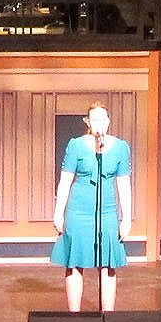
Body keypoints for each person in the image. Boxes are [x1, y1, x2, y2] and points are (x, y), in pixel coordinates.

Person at [52, 103, 130, 310]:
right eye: (94, 119)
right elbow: (65, 181)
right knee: (75, 262)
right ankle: (75, 317)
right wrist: (58, 213)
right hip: (78, 211)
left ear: (109, 121)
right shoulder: (76, 145)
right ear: (87, 122)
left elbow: (124, 184)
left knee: (108, 264)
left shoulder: (121, 147)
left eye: (103, 119)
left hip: (107, 212)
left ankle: (108, 318)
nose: (99, 123)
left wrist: (127, 218)